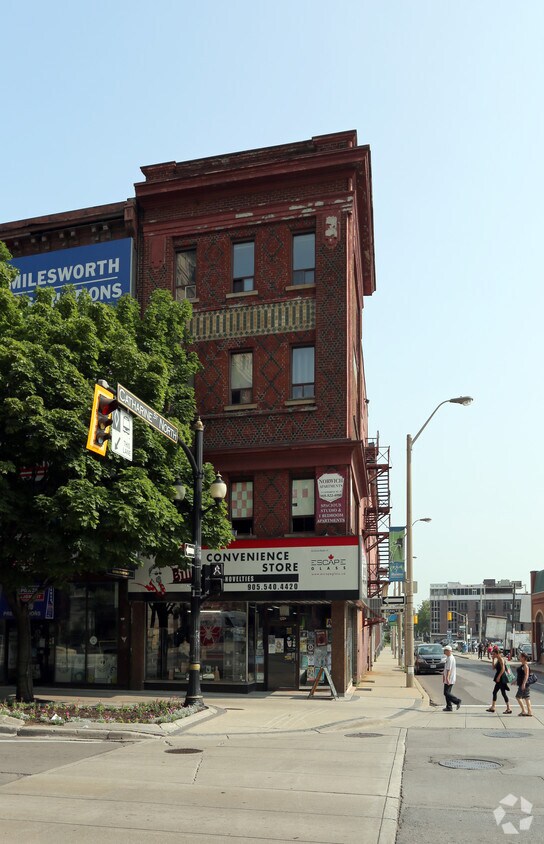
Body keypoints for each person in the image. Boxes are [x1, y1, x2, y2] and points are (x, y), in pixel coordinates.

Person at [486, 645, 512, 713]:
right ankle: (494, 707)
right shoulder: (497, 659)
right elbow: (493, 668)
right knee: (498, 692)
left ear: (497, 653)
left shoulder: (501, 659)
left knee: (500, 693)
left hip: (501, 678)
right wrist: (493, 660)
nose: (493, 655)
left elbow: (503, 668)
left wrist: (499, 676)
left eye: (494, 654)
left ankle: (507, 708)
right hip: (500, 678)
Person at [442, 644, 462, 711]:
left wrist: (447, 678)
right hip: (448, 677)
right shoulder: (448, 657)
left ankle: (457, 701)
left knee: (446, 693)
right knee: (447, 693)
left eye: (445, 650)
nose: (444, 652)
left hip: (450, 678)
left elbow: (449, 669)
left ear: (448, 651)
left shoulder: (450, 658)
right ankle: (449, 706)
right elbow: (445, 668)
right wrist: (444, 676)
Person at [515, 651, 533, 717]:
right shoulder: (523, 665)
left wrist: (523, 684)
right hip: (523, 684)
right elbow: (521, 675)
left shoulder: (525, 666)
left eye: (520, 656)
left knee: (518, 697)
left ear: (523, 658)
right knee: (526, 697)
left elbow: (526, 675)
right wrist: (516, 681)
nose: (519, 657)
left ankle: (524, 711)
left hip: (524, 684)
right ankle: (529, 712)